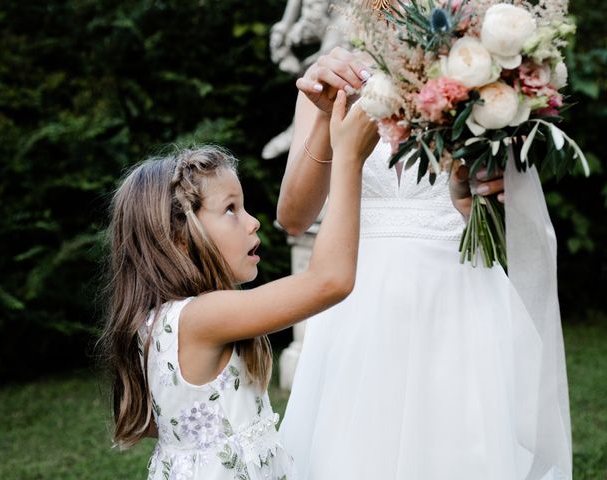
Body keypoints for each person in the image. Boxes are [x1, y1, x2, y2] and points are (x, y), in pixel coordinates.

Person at [277, 47, 571, 480]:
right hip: (356, 304)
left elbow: (504, 231)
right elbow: (294, 218)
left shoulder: (479, 74)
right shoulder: (333, 73)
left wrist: (469, 192)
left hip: (461, 298)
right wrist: (326, 117)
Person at [99, 91, 381, 479]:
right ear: (180, 236)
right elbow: (330, 280)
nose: (253, 222)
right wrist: (348, 158)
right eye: (231, 209)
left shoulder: (161, 321)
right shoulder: (203, 317)